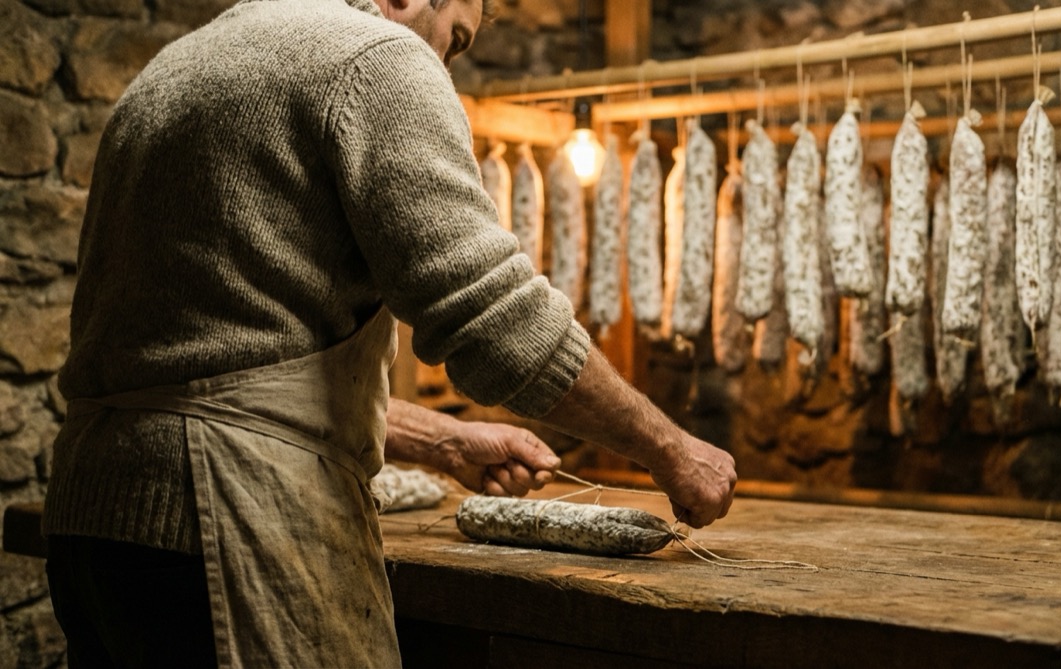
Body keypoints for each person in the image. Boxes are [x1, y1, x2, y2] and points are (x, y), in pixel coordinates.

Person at [42, 0, 738, 666]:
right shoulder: (376, 58)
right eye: (456, 39)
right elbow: (496, 317)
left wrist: (444, 440)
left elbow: (217, 363)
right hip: (228, 517)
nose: (445, 64)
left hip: (93, 521)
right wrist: (671, 449)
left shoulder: (170, 71)